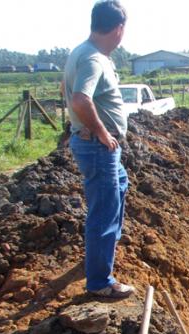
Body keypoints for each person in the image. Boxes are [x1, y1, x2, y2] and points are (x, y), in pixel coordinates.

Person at [64, 0, 134, 298]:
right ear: (118, 29)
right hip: (98, 147)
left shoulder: (82, 52)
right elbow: (80, 98)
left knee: (119, 186)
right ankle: (99, 282)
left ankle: (104, 251)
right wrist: (102, 132)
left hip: (99, 146)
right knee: (103, 210)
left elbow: (64, 90)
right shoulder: (93, 58)